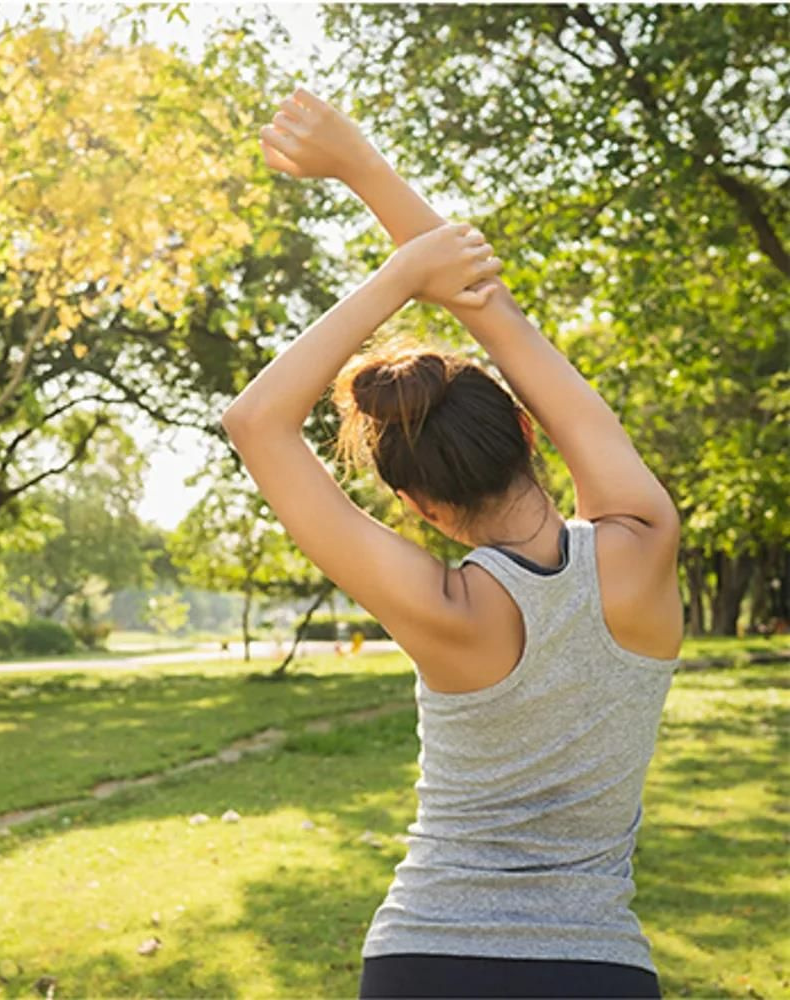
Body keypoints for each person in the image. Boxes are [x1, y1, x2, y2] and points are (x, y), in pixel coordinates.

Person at [222, 88, 682, 999]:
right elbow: (494, 315)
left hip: (425, 959)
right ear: (526, 426)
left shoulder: (444, 610)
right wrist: (364, 168)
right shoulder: (645, 544)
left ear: (420, 507)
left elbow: (255, 422)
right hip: (596, 972)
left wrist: (396, 278)